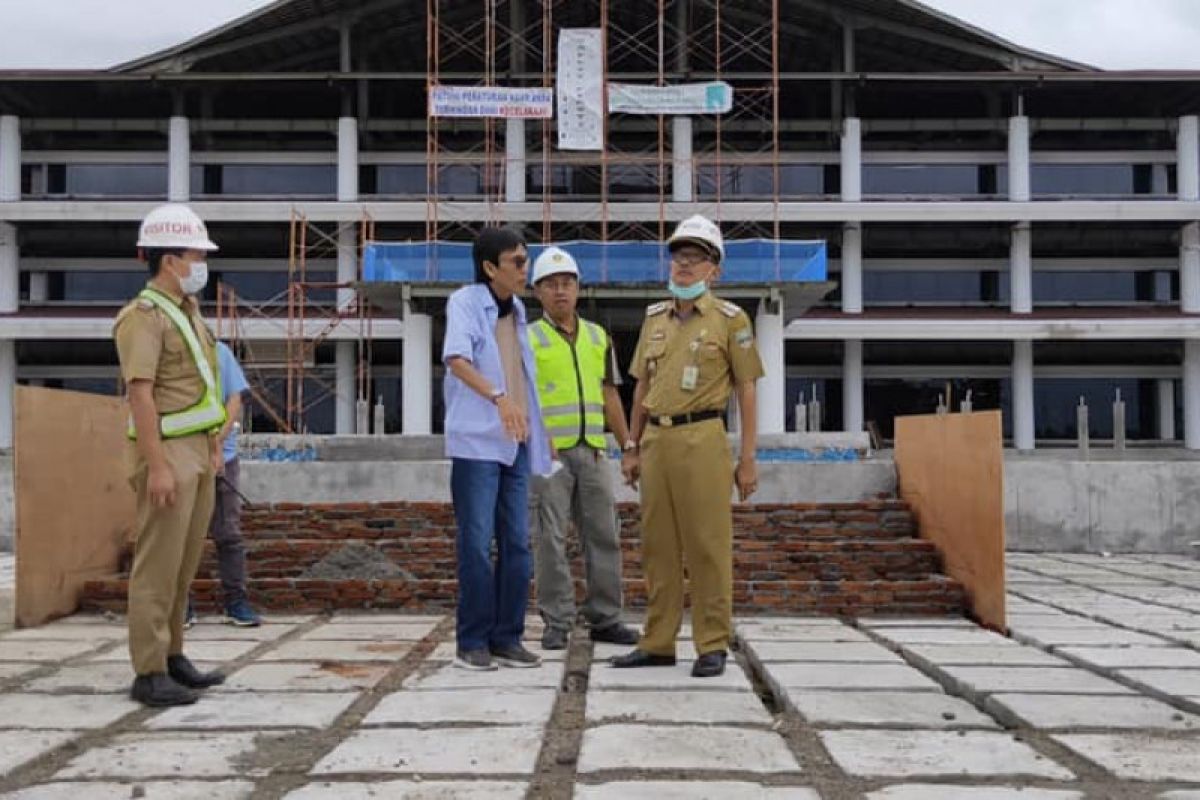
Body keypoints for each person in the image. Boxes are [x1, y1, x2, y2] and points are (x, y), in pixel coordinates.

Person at [611, 214, 764, 678]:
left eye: (696, 258)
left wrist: (748, 459)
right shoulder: (654, 318)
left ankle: (712, 643)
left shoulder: (730, 320)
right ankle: (658, 641)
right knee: (656, 547)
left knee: (707, 545)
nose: (685, 265)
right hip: (656, 439)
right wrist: (631, 446)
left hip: (703, 437)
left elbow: (747, 388)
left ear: (715, 270)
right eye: (680, 256)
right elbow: (640, 388)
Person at [114, 203, 229, 706]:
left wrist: (213, 447)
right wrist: (158, 465)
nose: (200, 263)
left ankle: (174, 655)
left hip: (198, 451)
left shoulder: (188, 313)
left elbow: (199, 390)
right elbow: (140, 393)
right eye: (194, 255)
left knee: (182, 565)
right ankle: (149, 669)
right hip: (167, 454)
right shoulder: (143, 317)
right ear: (169, 260)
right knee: (157, 565)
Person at [442, 226, 552, 671]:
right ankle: (472, 641)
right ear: (490, 268)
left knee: (518, 545)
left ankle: (507, 637)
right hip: (477, 442)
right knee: (475, 542)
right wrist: (499, 397)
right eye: (518, 262)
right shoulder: (465, 301)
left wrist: (536, 429)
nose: (526, 270)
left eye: (526, 260)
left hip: (516, 443)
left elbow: (521, 371)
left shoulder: (519, 310)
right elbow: (456, 359)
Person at [527, 246, 639, 651]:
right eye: (551, 285)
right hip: (548, 455)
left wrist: (627, 444)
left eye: (567, 283)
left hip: (592, 450)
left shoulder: (597, 337)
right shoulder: (529, 338)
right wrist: (541, 440)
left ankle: (606, 617)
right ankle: (557, 620)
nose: (561, 291)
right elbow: (525, 396)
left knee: (604, 533)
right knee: (549, 536)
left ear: (578, 289)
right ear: (537, 291)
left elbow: (610, 394)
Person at [185, 341, 261, 628]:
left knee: (228, 533)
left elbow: (234, 399)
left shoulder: (219, 352)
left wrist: (216, 441)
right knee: (181, 536)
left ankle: (236, 602)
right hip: (182, 457)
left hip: (223, 458)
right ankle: (181, 605)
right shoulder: (169, 351)